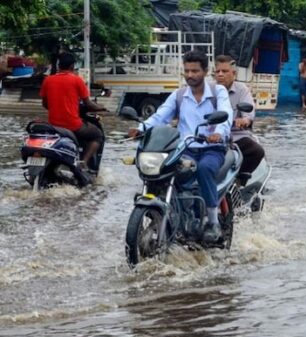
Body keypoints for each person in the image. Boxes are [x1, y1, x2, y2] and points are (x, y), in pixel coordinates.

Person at [127, 50, 233, 243]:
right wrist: (140, 128)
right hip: (186, 148)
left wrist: (218, 132)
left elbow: (226, 114)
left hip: (212, 148)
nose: (190, 75)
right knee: (166, 171)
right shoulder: (179, 95)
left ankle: (212, 221)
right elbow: (160, 116)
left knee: (204, 169)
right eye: (187, 71)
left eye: (195, 71)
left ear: (205, 71)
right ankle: (172, 212)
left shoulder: (218, 92)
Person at [39, 51, 107, 182]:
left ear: (59, 65)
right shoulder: (77, 80)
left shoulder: (48, 80)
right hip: (73, 125)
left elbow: (45, 104)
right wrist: (101, 108)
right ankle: (84, 162)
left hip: (54, 126)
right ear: (72, 66)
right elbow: (88, 104)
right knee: (97, 134)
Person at [213, 55, 265, 184]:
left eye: (224, 71)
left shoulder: (241, 89)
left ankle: (240, 180)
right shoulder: (208, 89)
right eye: (217, 71)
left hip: (235, 135)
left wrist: (245, 120)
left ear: (234, 74)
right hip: (212, 137)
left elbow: (249, 112)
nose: (220, 75)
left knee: (257, 151)